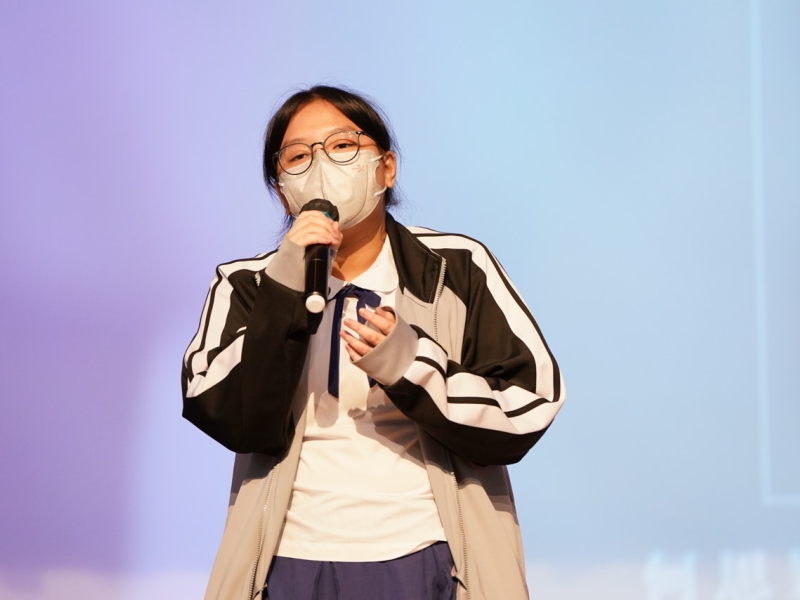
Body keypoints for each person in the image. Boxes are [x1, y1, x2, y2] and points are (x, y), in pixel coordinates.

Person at [182, 85, 565, 600]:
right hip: (288, 560)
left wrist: (410, 364)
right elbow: (224, 413)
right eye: (298, 157)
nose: (322, 167)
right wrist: (283, 290)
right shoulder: (245, 284)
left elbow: (529, 406)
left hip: (429, 553)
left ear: (386, 168)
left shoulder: (457, 266)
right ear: (281, 190)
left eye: (342, 146)